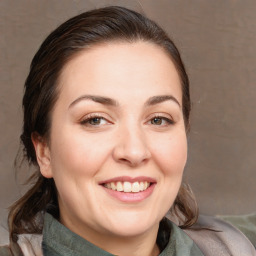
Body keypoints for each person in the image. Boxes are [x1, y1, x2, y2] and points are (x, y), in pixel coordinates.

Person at [0, 6, 255, 256]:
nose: (134, 151)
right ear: (44, 151)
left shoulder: (237, 247)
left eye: (158, 120)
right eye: (96, 120)